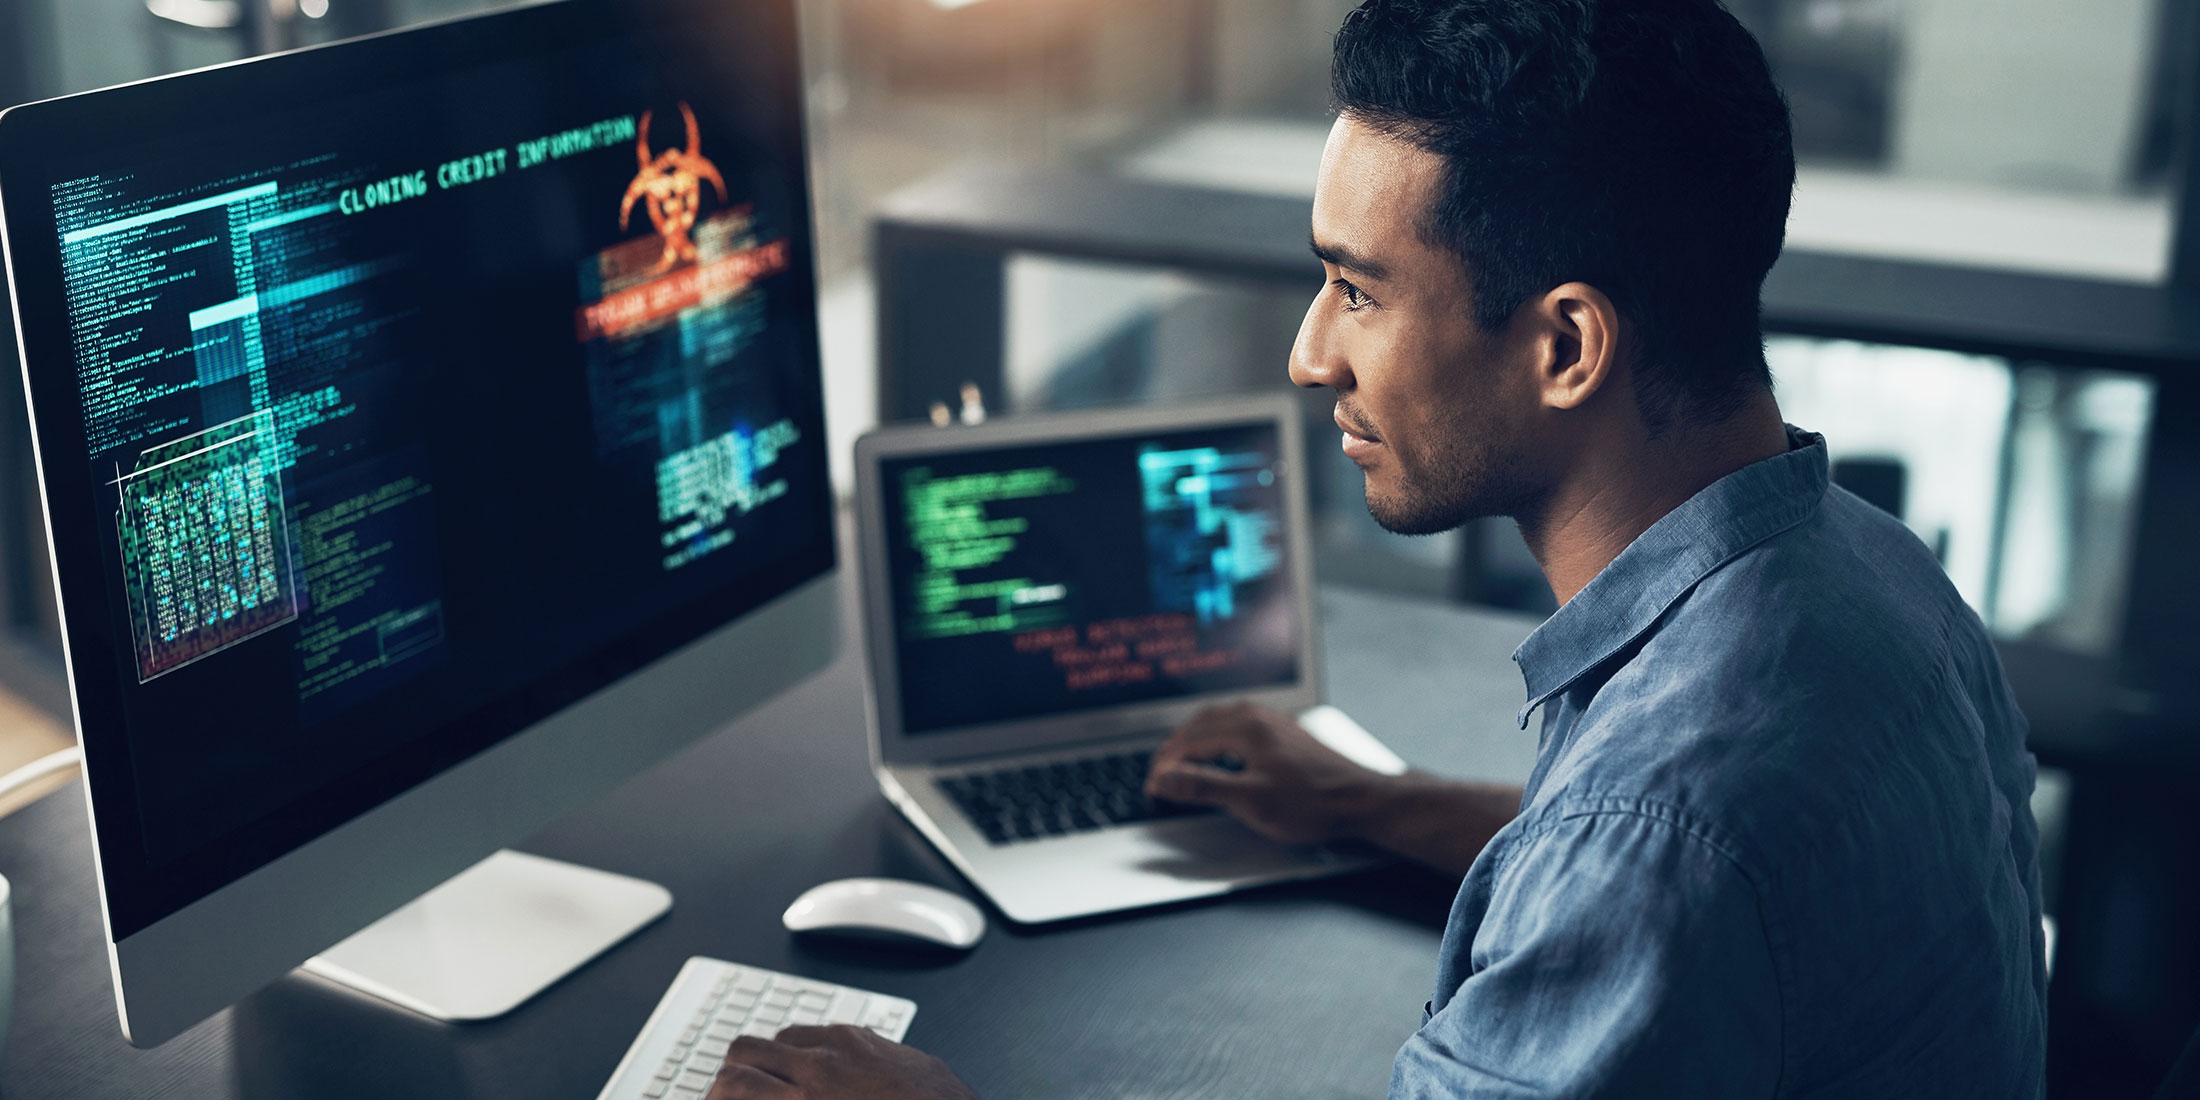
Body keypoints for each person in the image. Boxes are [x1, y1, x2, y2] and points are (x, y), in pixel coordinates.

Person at [706, 0, 2046, 1095]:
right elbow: (1655, 865)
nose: (1308, 353)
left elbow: (1652, 857)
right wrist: (1371, 802)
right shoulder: (1874, 571)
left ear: (1567, 346)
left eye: (1359, 290)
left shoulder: (1657, 842)